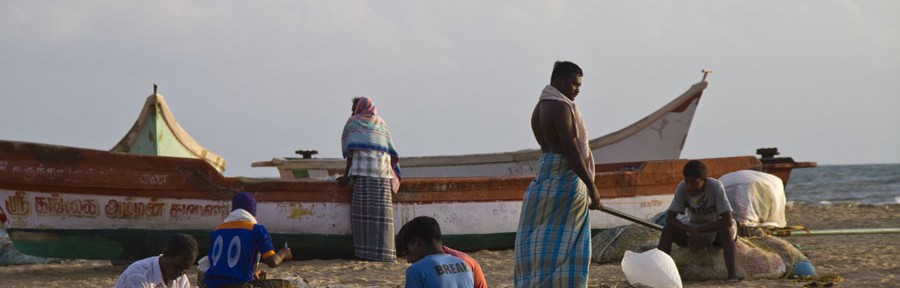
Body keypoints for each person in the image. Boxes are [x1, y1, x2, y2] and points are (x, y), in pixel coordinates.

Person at [514, 61, 603, 288]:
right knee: (569, 248)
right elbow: (571, 151)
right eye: (574, 84)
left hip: (546, 175)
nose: (577, 90)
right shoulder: (560, 107)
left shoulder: (540, 106)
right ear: (559, 81)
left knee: (542, 246)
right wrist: (591, 187)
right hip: (565, 181)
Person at [336, 96, 401, 262]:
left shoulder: (353, 122)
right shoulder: (382, 123)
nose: (352, 112)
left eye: (353, 108)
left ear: (358, 109)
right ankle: (385, 254)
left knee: (362, 217)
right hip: (382, 176)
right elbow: (390, 151)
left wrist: (346, 176)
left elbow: (350, 152)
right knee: (382, 218)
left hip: (363, 176)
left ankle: (365, 254)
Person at [657, 160, 739, 282]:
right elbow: (670, 219)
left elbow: (727, 219)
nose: (690, 186)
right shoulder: (682, 187)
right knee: (668, 231)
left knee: (726, 231)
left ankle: (732, 276)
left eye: (694, 182)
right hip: (694, 227)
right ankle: (660, 273)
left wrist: (698, 231)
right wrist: (692, 231)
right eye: (687, 181)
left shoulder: (715, 186)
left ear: (704, 180)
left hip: (715, 229)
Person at [203, 192, 293, 288]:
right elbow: (273, 261)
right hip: (240, 285)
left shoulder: (217, 230)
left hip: (211, 285)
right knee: (287, 284)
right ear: (252, 211)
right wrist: (284, 253)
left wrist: (252, 273)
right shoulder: (256, 229)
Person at [397, 220, 488, 288]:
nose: (408, 260)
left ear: (417, 242)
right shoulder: (464, 264)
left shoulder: (416, 270)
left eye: (408, 252)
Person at [114, 233, 198, 288]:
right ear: (165, 254)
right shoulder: (138, 276)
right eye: (177, 268)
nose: (179, 274)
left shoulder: (181, 278)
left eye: (184, 271)